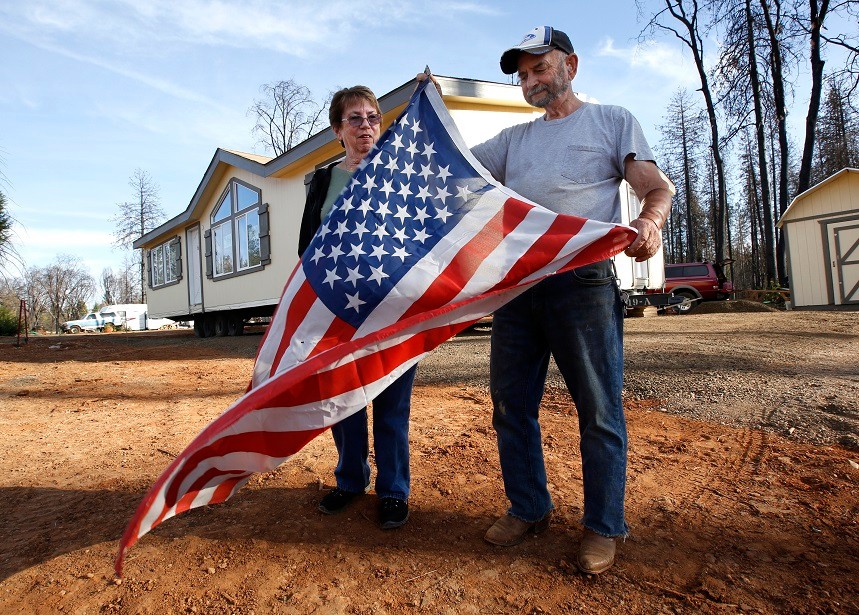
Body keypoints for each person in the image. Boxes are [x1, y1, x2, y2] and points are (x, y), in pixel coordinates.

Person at [422, 26, 673, 574]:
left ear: (571, 66)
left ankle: (604, 526)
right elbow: (455, 165)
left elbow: (657, 188)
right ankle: (529, 508)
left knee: (599, 410)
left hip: (583, 285)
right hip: (517, 288)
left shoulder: (612, 121)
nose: (529, 80)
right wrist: (432, 111)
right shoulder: (514, 141)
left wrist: (649, 224)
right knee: (511, 405)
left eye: (539, 68)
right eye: (522, 73)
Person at [298, 85, 418, 529]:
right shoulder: (324, 180)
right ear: (338, 130)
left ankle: (393, 490)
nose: (366, 125)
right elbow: (305, 247)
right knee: (344, 403)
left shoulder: (399, 175)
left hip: (392, 310)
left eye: (372, 117)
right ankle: (350, 481)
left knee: (391, 405)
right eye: (355, 118)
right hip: (338, 314)